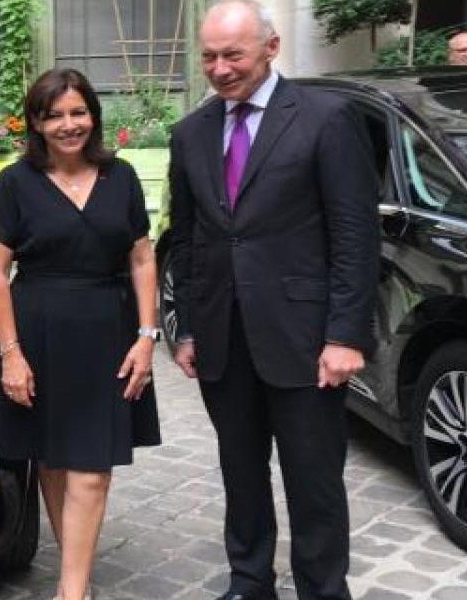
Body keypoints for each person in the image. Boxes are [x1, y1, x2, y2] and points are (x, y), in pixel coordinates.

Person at [167, 2, 378, 600]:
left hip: (305, 339)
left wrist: (345, 335)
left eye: (233, 54)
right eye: (209, 57)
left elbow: (355, 235)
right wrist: (188, 328)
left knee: (314, 480)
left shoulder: (326, 118)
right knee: (240, 472)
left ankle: (322, 589)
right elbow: (187, 239)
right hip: (223, 337)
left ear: (271, 47)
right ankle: (250, 580)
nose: (220, 69)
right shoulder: (191, 133)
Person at [0, 67, 161, 600]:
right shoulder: (16, 182)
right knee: (54, 462)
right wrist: (11, 354)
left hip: (108, 335)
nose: (68, 125)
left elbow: (142, 257)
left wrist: (147, 335)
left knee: (91, 470)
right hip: (37, 334)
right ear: (36, 123)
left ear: (93, 116)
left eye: (78, 112)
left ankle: (72, 593)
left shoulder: (121, 177)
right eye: (54, 115)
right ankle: (73, 579)